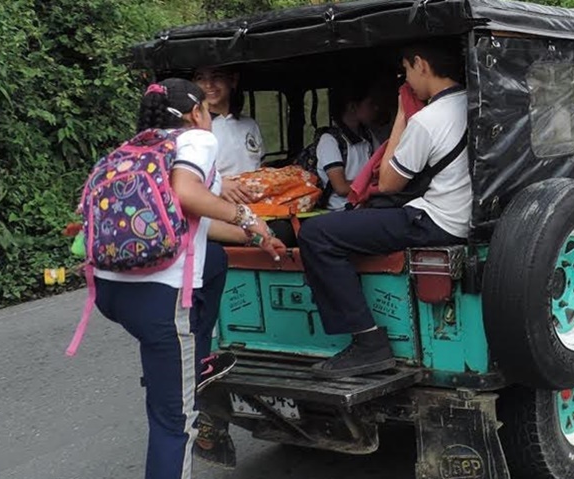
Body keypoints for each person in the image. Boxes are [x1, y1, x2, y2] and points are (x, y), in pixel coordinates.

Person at [92, 78, 283, 479]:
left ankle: (197, 360)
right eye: (207, 113)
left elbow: (201, 224)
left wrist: (260, 235)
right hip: (159, 299)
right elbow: (188, 196)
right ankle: (189, 363)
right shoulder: (196, 141)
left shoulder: (140, 147)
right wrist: (249, 216)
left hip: (111, 289)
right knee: (174, 423)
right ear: (197, 113)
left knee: (213, 262)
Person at [297, 40, 470, 378]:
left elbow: (390, 182)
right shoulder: (474, 103)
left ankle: (368, 344)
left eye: (406, 70)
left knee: (317, 233)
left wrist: (403, 115)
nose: (407, 78)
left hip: (434, 220)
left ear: (420, 64)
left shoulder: (428, 120)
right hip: (460, 216)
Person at [194, 66, 264, 204]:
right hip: (216, 207)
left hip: (256, 202)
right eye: (200, 78)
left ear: (233, 80)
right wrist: (218, 185)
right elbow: (185, 178)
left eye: (217, 76)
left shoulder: (249, 125)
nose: (208, 85)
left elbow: (260, 166)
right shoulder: (192, 130)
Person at [316, 84, 379, 210]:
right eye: (370, 104)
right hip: (340, 210)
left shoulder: (367, 136)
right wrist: (377, 186)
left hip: (365, 204)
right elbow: (341, 187)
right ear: (352, 107)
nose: (376, 108)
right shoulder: (330, 141)